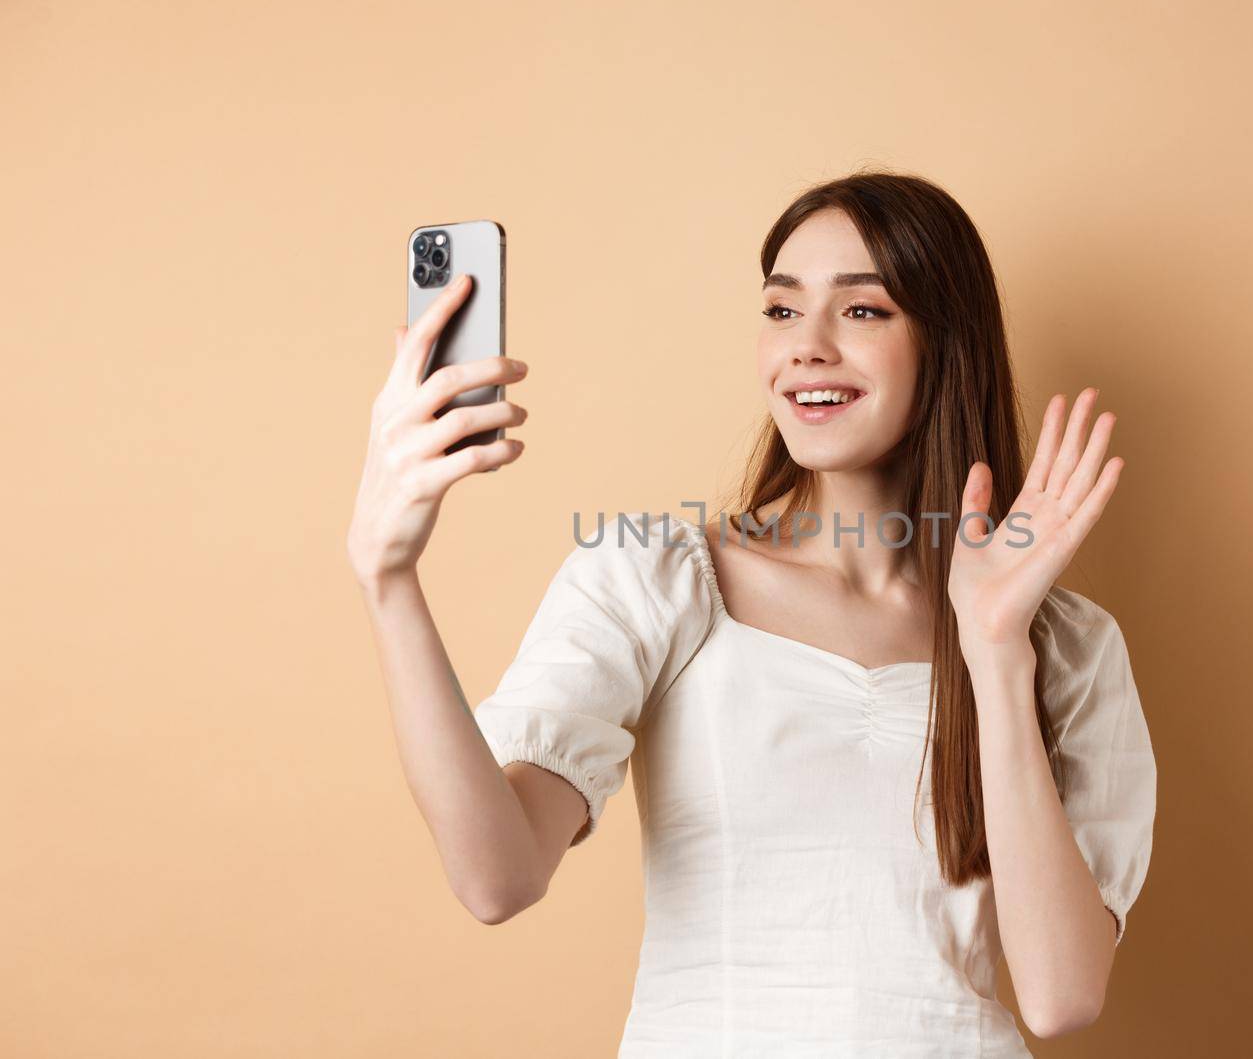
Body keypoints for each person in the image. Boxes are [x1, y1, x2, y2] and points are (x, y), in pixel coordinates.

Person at [347, 171, 1156, 1055]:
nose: (805, 348)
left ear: (946, 341)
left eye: (862, 311)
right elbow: (493, 875)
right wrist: (391, 581)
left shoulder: (1064, 643)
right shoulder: (655, 578)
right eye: (780, 310)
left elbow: (1060, 993)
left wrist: (996, 649)